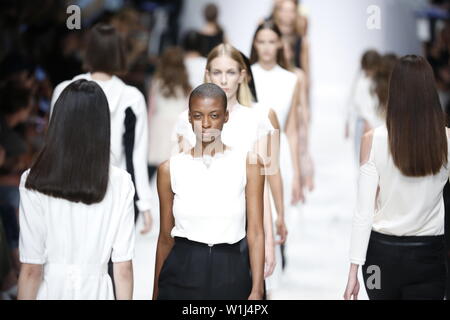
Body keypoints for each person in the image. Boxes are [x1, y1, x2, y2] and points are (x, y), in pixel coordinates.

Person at [173, 43, 288, 284]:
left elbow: (262, 184)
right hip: (198, 227)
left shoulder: (259, 119)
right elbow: (181, 181)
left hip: (244, 223)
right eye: (217, 72)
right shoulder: (185, 121)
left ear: (242, 76)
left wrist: (267, 240)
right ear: (207, 74)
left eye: (231, 72)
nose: (224, 79)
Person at [17, 79, 135, 300]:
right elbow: (123, 268)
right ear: (102, 125)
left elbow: (31, 269)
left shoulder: (34, 179)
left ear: (58, 122)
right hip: (98, 292)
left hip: (50, 291)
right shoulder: (121, 182)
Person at [344, 55, 448, 300]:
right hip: (428, 255)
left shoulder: (373, 140)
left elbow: (364, 210)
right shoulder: (446, 140)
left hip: (380, 257)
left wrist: (353, 271)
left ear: (394, 89)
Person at [153, 83, 265, 300]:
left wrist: (257, 290)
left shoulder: (248, 163)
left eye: (213, 115)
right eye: (197, 115)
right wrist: (155, 295)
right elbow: (165, 238)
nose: (205, 124)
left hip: (232, 269)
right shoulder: (170, 169)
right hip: (182, 270)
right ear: (188, 117)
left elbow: (256, 232)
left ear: (226, 116)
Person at [50, 23, 152, 233]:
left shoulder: (63, 89)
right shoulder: (131, 97)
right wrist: (143, 203)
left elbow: (54, 145)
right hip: (114, 191)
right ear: (119, 53)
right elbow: (136, 156)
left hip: (67, 188)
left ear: (88, 50)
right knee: (111, 262)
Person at [147, 47, 191, 180]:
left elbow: (151, 110)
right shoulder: (187, 87)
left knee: (159, 168)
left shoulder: (156, 84)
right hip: (177, 128)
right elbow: (188, 113)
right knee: (174, 169)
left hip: (158, 126)